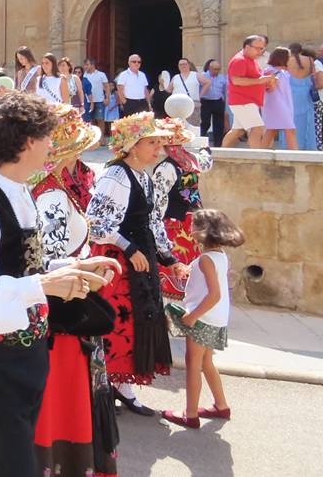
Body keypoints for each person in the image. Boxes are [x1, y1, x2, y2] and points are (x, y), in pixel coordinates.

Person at [0, 93, 119, 477]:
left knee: (18, 463)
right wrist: (45, 283)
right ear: (27, 142)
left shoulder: (21, 190)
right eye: (47, 137)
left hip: (29, 350)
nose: (51, 146)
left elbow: (26, 267)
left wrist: (74, 266)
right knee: (14, 468)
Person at [31, 105, 118, 477]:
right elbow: (50, 258)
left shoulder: (67, 184)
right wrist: (85, 267)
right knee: (65, 393)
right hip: (64, 308)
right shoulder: (51, 194)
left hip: (74, 295)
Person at [86, 112, 184, 416]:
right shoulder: (116, 176)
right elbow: (96, 222)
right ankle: (106, 388)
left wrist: (169, 258)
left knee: (140, 322)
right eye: (152, 142)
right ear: (132, 145)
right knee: (119, 324)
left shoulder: (144, 174)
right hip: (119, 263)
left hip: (139, 259)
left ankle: (123, 388)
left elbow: (151, 221)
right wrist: (129, 249)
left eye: (159, 142)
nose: (159, 148)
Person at [162, 209, 246, 429]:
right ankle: (221, 405)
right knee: (207, 362)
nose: (190, 229)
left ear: (203, 232)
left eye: (194, 226)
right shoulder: (218, 257)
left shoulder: (206, 260)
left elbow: (214, 293)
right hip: (216, 318)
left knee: (193, 364)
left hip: (203, 318)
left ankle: (190, 414)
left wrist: (192, 316)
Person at [153, 117, 213, 300]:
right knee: (193, 257)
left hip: (175, 222)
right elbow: (208, 162)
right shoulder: (193, 160)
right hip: (194, 219)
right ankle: (194, 297)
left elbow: (158, 201)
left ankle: (175, 298)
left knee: (175, 260)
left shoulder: (166, 167)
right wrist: (205, 148)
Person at [222, 35, 274, 149]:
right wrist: (261, 80)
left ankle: (220, 154)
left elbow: (255, 78)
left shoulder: (251, 60)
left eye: (262, 49)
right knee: (257, 128)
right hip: (243, 101)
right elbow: (236, 80)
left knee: (238, 131)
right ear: (246, 47)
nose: (260, 51)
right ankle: (257, 158)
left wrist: (265, 83)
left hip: (247, 102)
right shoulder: (239, 60)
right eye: (257, 48)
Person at [261, 47, 297, 150]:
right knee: (290, 129)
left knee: (272, 130)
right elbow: (268, 88)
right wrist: (272, 81)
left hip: (284, 103)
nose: (290, 59)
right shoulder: (270, 71)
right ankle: (296, 156)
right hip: (276, 104)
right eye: (288, 57)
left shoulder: (283, 72)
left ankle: (260, 154)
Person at [287, 43, 318, 151]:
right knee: (307, 121)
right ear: (301, 50)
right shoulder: (309, 60)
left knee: (290, 121)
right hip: (305, 94)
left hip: (290, 95)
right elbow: (314, 76)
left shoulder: (286, 60)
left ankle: (292, 147)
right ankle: (308, 147)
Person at [169, 58, 208, 126]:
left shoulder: (195, 75)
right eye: (180, 64)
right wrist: (162, 84)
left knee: (193, 124)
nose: (183, 66)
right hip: (177, 104)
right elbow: (169, 90)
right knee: (178, 124)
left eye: (184, 64)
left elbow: (207, 83)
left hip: (192, 102)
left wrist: (200, 95)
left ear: (189, 65)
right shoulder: (176, 77)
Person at [200, 59, 228, 147]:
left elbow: (224, 92)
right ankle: (201, 141)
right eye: (215, 69)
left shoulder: (222, 78)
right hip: (206, 102)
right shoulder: (202, 76)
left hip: (218, 101)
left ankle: (218, 145)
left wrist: (225, 105)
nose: (216, 71)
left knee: (219, 124)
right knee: (205, 122)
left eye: (218, 69)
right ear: (210, 68)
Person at [83, 58, 109, 133]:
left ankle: (101, 139)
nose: (85, 67)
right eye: (85, 65)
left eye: (87, 65)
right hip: (88, 101)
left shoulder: (101, 74)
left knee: (100, 120)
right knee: (90, 121)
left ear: (92, 65)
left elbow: (106, 87)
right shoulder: (84, 75)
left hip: (99, 101)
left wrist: (107, 98)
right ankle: (93, 139)